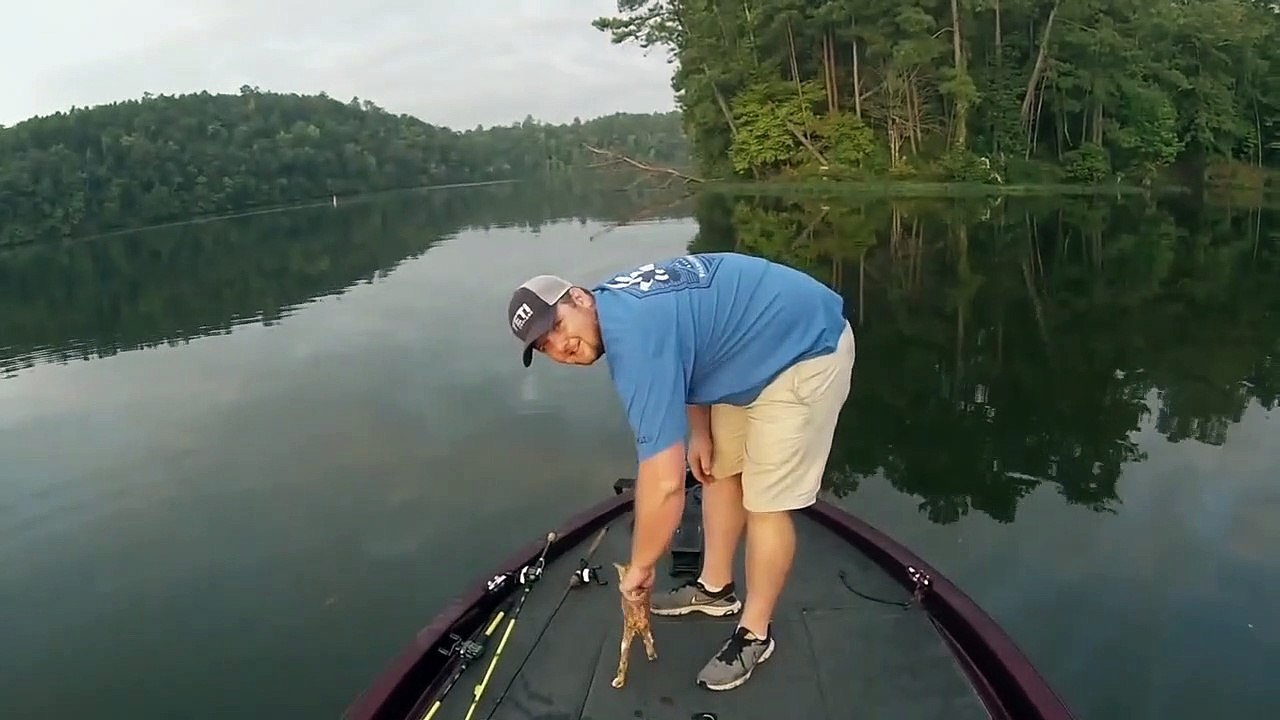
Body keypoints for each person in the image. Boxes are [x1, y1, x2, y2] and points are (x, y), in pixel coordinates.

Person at [505, 251, 855, 692]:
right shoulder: (618, 307)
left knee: (766, 504)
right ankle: (715, 590)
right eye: (544, 345)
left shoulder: (632, 336)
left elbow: (667, 484)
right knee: (717, 470)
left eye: (557, 326)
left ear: (580, 299)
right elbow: (689, 350)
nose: (561, 347)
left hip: (805, 348)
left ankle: (754, 633)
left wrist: (640, 568)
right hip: (748, 350)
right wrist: (700, 432)